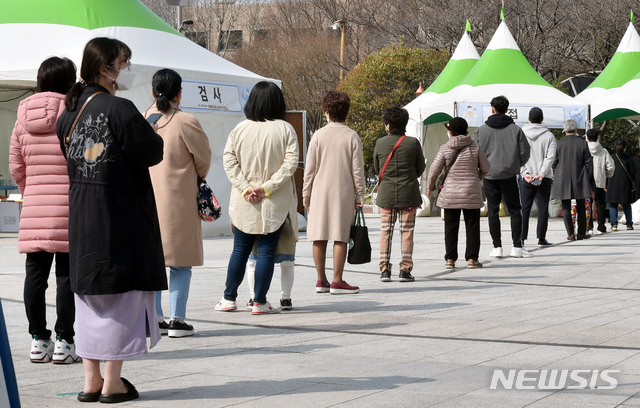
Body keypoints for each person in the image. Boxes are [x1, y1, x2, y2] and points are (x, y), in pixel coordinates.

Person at [56, 37, 167, 403]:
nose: (128, 68)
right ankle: (113, 382)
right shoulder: (120, 109)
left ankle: (91, 381)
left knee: (88, 301)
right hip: (119, 217)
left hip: (83, 217)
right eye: (124, 61)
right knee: (121, 299)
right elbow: (152, 152)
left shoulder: (69, 113)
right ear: (106, 68)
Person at [9, 57, 80, 364]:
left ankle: (39, 340)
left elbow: (16, 166)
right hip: (69, 206)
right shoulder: (74, 113)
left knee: (35, 277)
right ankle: (64, 342)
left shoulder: (21, 116)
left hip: (35, 205)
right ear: (70, 81)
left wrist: (31, 192)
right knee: (67, 277)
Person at [215, 81, 298, 315]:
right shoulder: (285, 129)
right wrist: (267, 188)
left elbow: (229, 161)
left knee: (240, 250)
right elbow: (291, 164)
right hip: (274, 202)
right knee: (266, 252)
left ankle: (228, 298)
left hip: (244, 201)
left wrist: (245, 188)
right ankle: (260, 302)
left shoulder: (239, 129)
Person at [146, 69, 212, 337]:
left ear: (152, 92)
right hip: (180, 200)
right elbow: (204, 159)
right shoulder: (185, 120)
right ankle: (178, 320)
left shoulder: (145, 118)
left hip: (148, 200)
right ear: (179, 93)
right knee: (180, 263)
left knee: (154, 261)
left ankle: (156, 317)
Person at [303, 90, 365, 295]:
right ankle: (337, 280)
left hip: (319, 191)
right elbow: (358, 171)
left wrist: (306, 195)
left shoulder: (318, 136)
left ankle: (321, 280)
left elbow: (309, 170)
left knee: (319, 235)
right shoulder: (352, 136)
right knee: (340, 236)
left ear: (327, 111)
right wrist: (360, 195)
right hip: (343, 192)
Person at [427, 117, 490, 269]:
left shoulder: (445, 148)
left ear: (451, 132)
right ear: (466, 132)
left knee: (450, 227)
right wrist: (476, 177)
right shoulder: (474, 147)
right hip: (471, 193)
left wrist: (431, 187)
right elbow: (486, 167)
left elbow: (433, 171)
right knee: (473, 226)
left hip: (450, 194)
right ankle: (472, 259)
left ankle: (450, 259)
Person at [472, 95, 530, 258]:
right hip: (509, 174)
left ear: (492, 109)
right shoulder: (516, 130)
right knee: (515, 210)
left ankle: (497, 247)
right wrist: (515, 165)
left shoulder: (480, 130)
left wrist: (482, 169)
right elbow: (525, 152)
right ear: (507, 109)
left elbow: (474, 152)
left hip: (489, 175)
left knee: (493, 211)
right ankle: (517, 246)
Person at [372, 107, 425, 282]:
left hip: (386, 194)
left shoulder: (380, 143)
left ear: (387, 125)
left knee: (385, 231)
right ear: (404, 123)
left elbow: (376, 168)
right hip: (408, 193)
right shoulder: (413, 143)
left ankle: (384, 270)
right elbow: (420, 169)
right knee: (407, 232)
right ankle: (405, 270)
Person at [519, 107, 557, 248]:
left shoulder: (521, 133)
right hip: (544, 178)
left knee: (524, 208)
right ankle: (541, 238)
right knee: (543, 208)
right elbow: (550, 157)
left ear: (528, 118)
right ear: (542, 119)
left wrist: (525, 172)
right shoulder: (549, 136)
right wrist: (541, 174)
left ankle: (521, 238)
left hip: (526, 177)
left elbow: (518, 155)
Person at [550, 120, 593, 240]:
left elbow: (554, 162)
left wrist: (557, 174)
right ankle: (581, 232)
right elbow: (589, 163)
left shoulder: (559, 143)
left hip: (563, 178)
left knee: (566, 206)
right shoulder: (583, 143)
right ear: (576, 130)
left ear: (564, 130)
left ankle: (570, 233)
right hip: (580, 177)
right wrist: (586, 176)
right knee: (581, 206)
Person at [246, 216, 297, 310]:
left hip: (258, 222)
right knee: (287, 263)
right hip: (284, 219)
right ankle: (286, 299)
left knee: (253, 263)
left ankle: (253, 298)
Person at [586, 129, 614, 234]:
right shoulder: (604, 151)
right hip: (599, 181)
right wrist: (605, 176)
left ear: (587, 138)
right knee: (600, 204)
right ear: (598, 137)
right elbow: (610, 167)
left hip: (586, 182)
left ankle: (589, 227)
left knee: (587, 204)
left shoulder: (584, 149)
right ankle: (601, 227)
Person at [607, 138, 635, 231]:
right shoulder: (629, 158)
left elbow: (607, 170)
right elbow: (632, 172)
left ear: (615, 147)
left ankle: (614, 224)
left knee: (613, 204)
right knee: (626, 204)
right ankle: (629, 224)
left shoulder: (611, 157)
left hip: (612, 183)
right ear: (625, 148)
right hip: (625, 184)